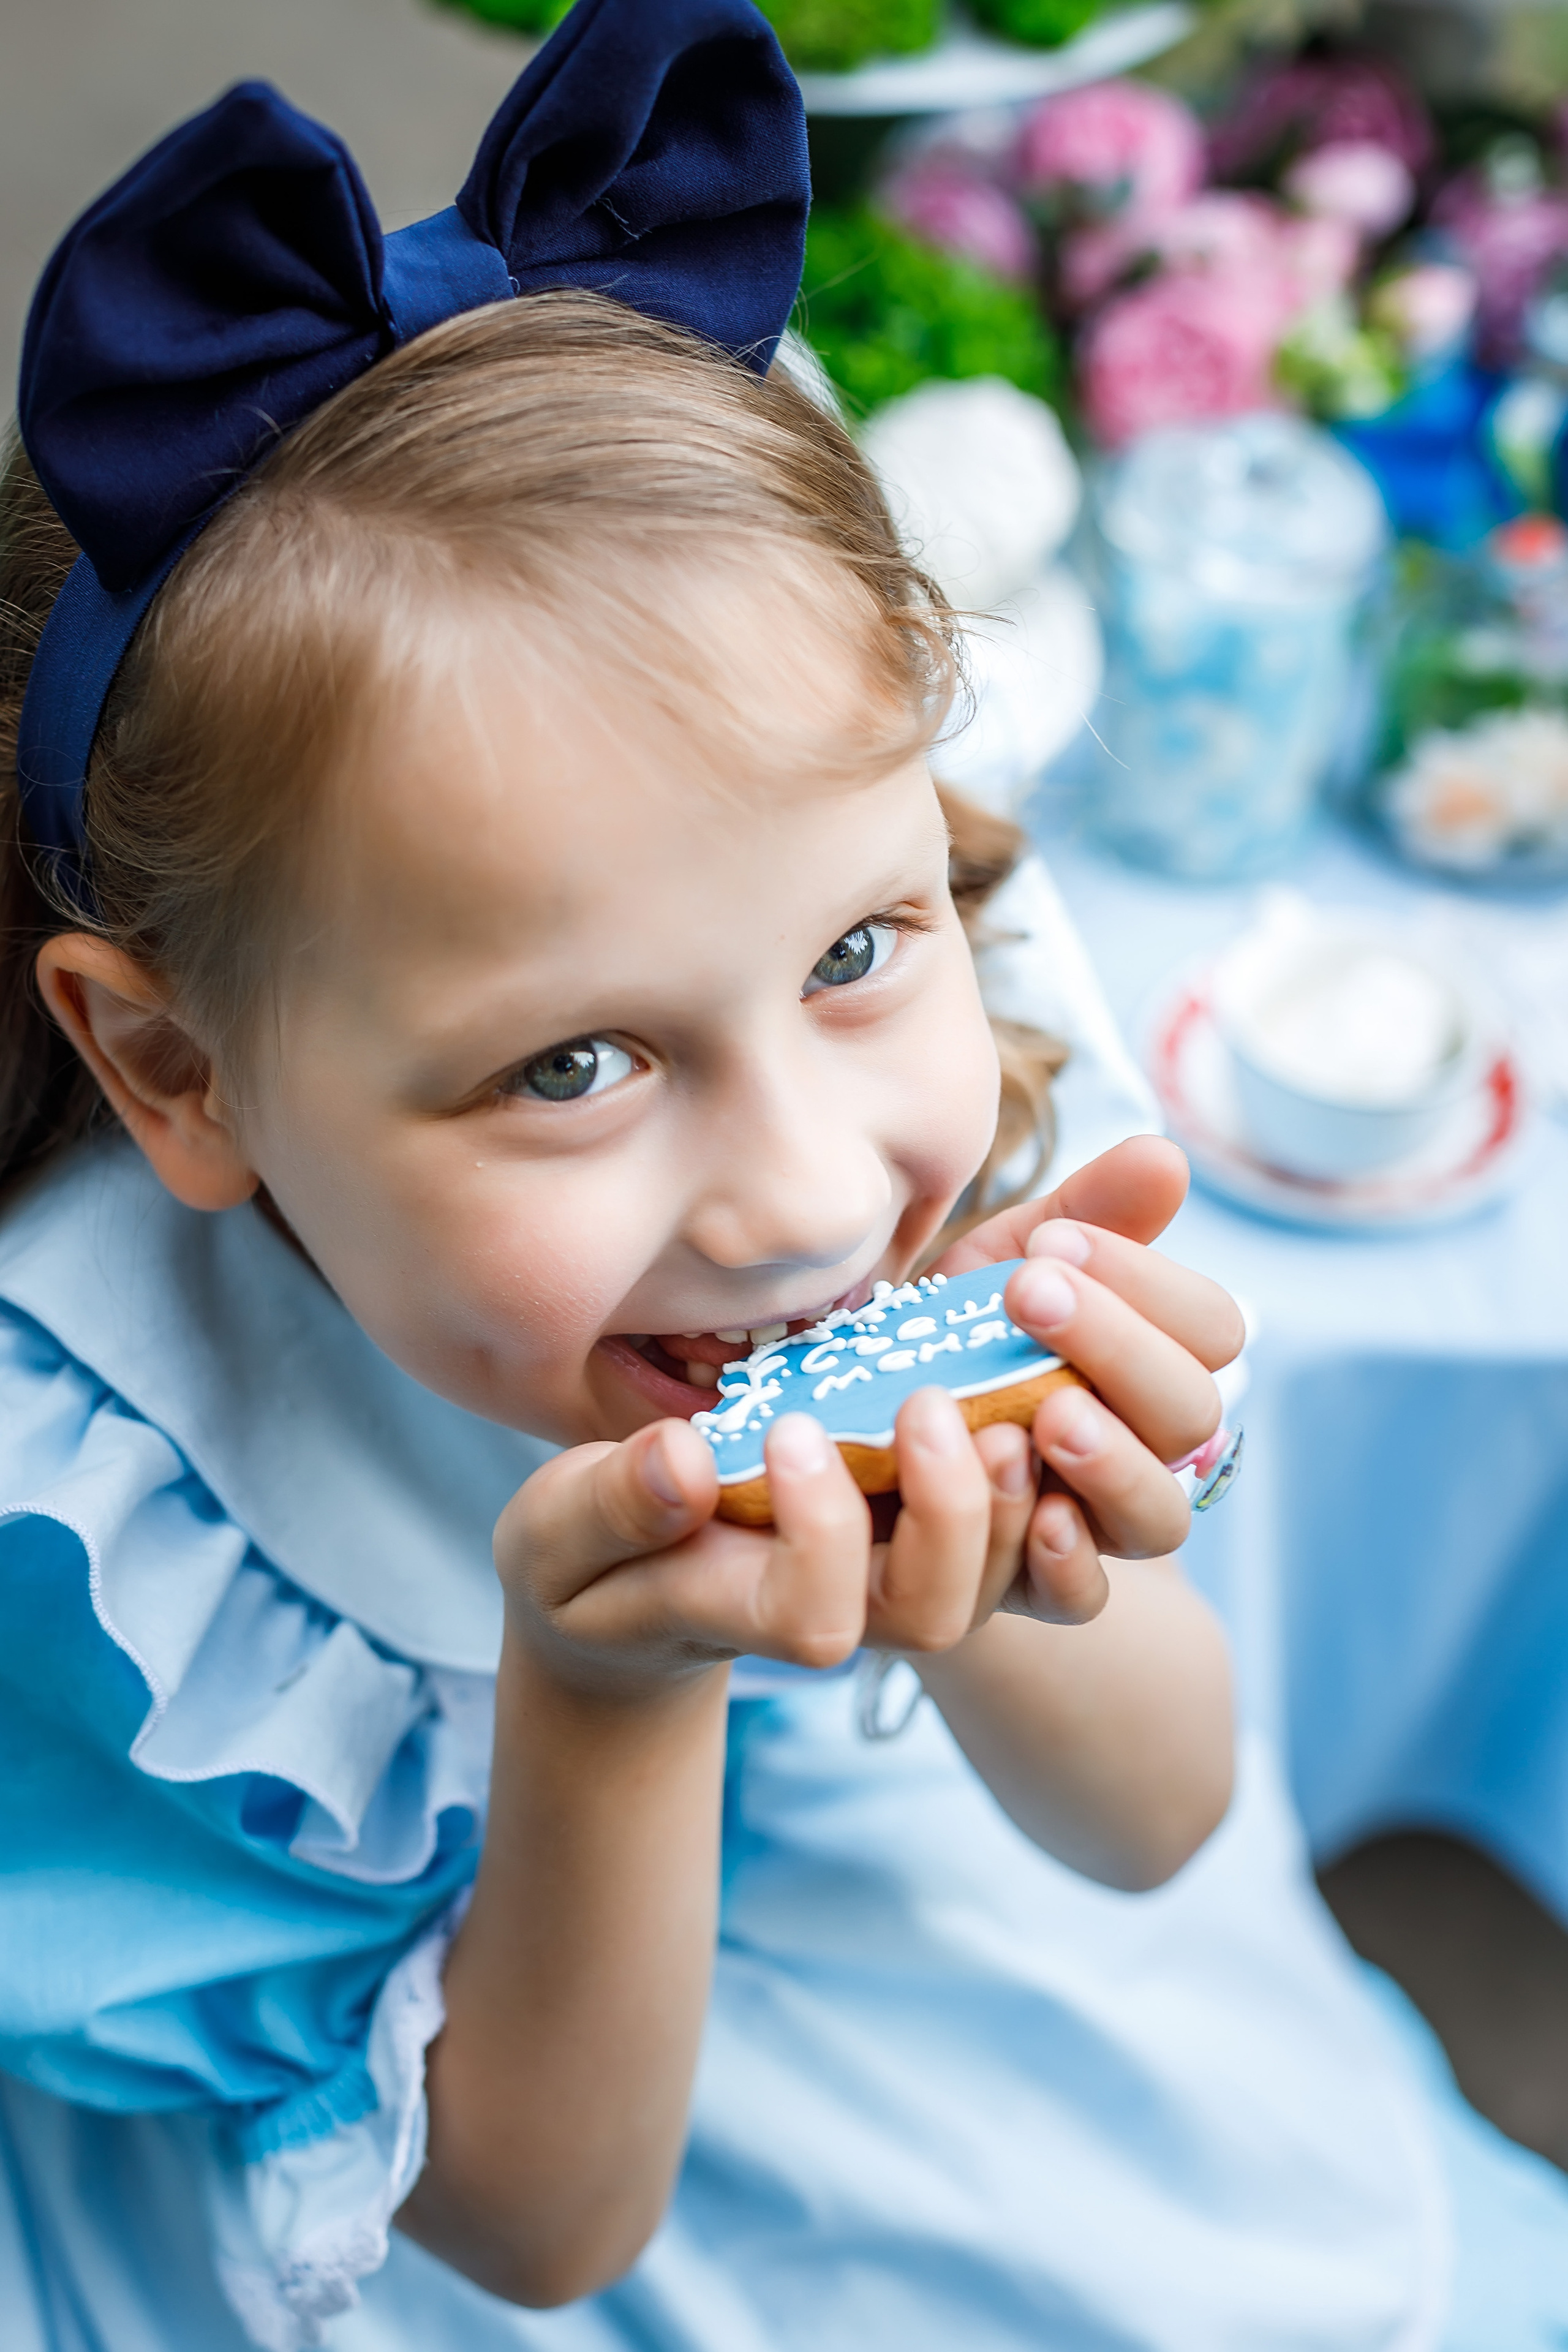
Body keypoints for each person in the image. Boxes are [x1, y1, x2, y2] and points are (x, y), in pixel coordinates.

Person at [1, 6, 1566, 2348]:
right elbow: (538, 2233)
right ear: (172, 1070)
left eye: (858, 945)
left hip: (961, 1940)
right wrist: (604, 1690)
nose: (817, 1199)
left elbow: (1151, 1830)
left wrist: (1051, 1555)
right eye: (575, 1063)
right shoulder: (105, 1537)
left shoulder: (961, 1121)